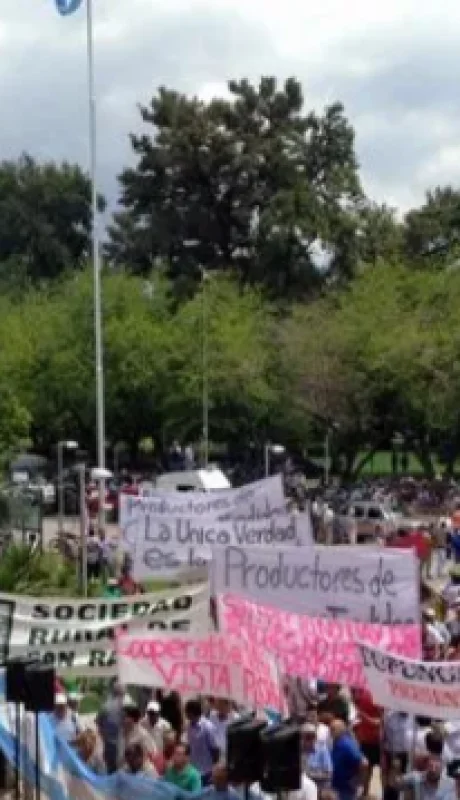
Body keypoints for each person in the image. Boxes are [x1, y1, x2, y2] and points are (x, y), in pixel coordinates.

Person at [352, 687, 382, 798]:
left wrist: (364, 717)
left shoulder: (380, 695)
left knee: (382, 772)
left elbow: (380, 722)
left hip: (378, 741)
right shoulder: (361, 692)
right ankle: (364, 795)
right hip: (365, 740)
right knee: (366, 770)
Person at [185, 698, 220, 785]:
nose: (185, 714)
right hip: (193, 770)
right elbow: (190, 746)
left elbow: (215, 749)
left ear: (192, 712)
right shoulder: (189, 726)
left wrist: (215, 769)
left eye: (187, 712)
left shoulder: (208, 727)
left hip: (206, 772)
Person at [330, 718, 367, 800]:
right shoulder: (337, 742)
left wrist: (358, 780)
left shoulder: (347, 745)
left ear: (342, 730)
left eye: (333, 729)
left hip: (346, 789)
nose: (331, 732)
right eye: (330, 729)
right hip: (337, 786)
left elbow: (364, 763)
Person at [389, 755, 456, 800]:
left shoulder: (449, 784)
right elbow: (395, 784)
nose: (433, 770)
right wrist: (395, 769)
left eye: (436, 768)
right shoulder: (416, 778)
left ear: (441, 769)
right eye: (431, 766)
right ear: (426, 767)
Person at [96, 681, 124, 773]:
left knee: (110, 767)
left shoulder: (106, 704)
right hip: (116, 741)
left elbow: (98, 721)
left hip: (109, 741)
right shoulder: (123, 704)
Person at [302, 723, 333, 789]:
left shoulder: (322, 750)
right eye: (307, 737)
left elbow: (329, 774)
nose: (310, 740)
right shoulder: (298, 751)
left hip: (318, 787)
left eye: (313, 737)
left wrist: (310, 775)